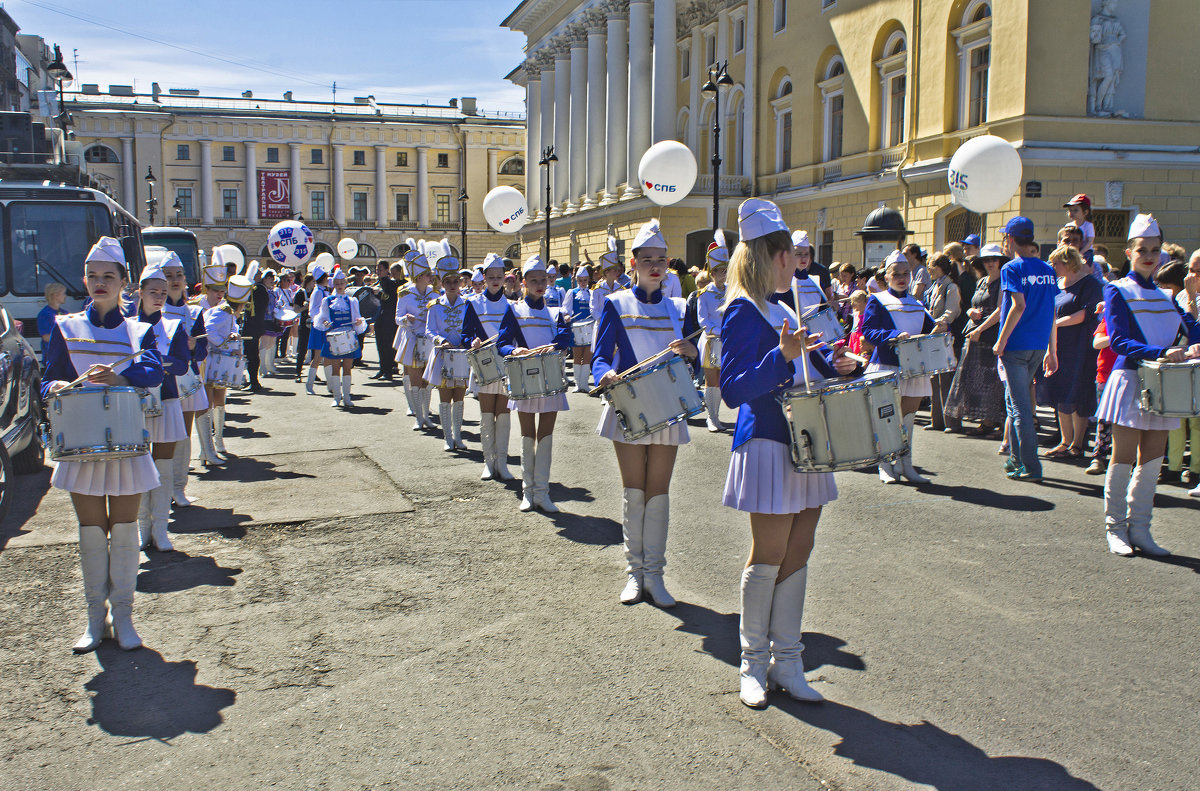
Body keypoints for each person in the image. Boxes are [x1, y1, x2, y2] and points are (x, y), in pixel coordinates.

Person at [719, 199, 857, 708]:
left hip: (806, 444)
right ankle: (752, 664)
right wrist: (783, 356)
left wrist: (841, 366)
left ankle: (788, 661)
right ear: (767, 256)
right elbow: (733, 389)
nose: (796, 264)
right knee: (770, 554)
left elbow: (813, 370)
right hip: (768, 442)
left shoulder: (783, 308)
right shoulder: (740, 310)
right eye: (788, 256)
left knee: (799, 552)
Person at [40, 236, 165, 652]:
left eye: (108, 277)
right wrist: (55, 384)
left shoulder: (139, 329)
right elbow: (48, 375)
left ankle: (125, 617)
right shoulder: (67, 327)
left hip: (126, 442)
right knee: (92, 531)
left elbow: (153, 370)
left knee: (124, 529)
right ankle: (97, 620)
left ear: (123, 282)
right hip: (81, 443)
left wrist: (120, 377)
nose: (99, 283)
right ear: (85, 280)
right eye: (93, 276)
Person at [592, 219, 699, 608]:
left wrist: (694, 355)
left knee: (659, 493)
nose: (655, 265)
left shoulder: (681, 307)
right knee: (634, 491)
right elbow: (601, 354)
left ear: (668, 264)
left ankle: (655, 574)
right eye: (647, 259)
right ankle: (634, 575)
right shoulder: (616, 304)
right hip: (630, 405)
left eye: (661, 259)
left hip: (669, 407)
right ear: (633, 263)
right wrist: (605, 373)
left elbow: (694, 365)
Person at [1097, 215, 1200, 556]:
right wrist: (1162, 352)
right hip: (1130, 380)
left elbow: (1194, 331)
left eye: (1155, 250)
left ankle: (1141, 529)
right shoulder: (1117, 289)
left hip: (1162, 383)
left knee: (1152, 459)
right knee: (1123, 457)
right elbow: (1119, 341)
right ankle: (1116, 529)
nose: (1149, 256)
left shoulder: (1165, 295)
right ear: (1129, 252)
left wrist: (1192, 301)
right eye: (1142, 250)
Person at [861, 251, 947, 484]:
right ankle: (885, 465)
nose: (901, 277)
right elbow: (868, 331)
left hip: (913, 369)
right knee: (888, 418)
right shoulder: (877, 300)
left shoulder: (917, 304)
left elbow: (929, 331)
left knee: (907, 420)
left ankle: (905, 465)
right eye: (895, 274)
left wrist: (939, 330)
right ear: (886, 277)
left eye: (905, 273)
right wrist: (894, 335)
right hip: (887, 365)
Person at [497, 255, 573, 513]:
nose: (540, 284)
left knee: (546, 435)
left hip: (550, 378)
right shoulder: (515, 310)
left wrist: (561, 340)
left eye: (543, 279)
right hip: (526, 379)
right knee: (528, 434)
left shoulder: (556, 313)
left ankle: (543, 491)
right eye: (534, 280)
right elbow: (502, 342)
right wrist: (513, 351)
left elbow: (565, 340)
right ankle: (527, 492)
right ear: (524, 282)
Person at [993, 217, 1059, 482]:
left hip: (1016, 346)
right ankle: (1017, 461)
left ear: (1010, 238)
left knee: (1020, 408)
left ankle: (1031, 467)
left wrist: (1001, 341)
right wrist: (1052, 350)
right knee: (1014, 404)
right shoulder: (1047, 269)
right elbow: (1052, 311)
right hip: (1038, 344)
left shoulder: (1012, 268)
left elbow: (1017, 306)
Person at [133, 260, 191, 552]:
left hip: (166, 400)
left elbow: (182, 364)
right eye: (152, 291)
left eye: (162, 291)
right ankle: (143, 528)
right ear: (139, 293)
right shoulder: (128, 326)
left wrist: (158, 363)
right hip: (136, 405)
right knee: (141, 465)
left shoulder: (173, 325)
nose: (158, 296)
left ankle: (161, 527)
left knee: (163, 466)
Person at [1037, 245, 1103, 459]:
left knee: (1078, 394)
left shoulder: (1090, 284)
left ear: (1067, 262)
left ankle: (1077, 444)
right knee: (1060, 393)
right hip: (1058, 346)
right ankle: (1065, 441)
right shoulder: (1057, 284)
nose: (1051, 266)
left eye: (1055, 263)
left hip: (1080, 347)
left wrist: (1056, 324)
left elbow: (1087, 313)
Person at [159, 250, 208, 507]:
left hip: (187, 380)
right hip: (162, 381)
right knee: (162, 437)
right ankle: (161, 491)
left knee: (183, 435)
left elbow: (203, 347)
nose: (174, 280)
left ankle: (179, 488)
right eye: (168, 276)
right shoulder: (155, 309)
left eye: (178, 275)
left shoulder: (194, 312)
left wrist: (191, 347)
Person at [945, 245, 1007, 437]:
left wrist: (980, 329)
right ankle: (985, 421)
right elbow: (971, 305)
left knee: (992, 381)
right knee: (975, 379)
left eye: (993, 260)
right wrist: (971, 312)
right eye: (987, 260)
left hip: (991, 335)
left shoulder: (1004, 282)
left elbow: (1000, 310)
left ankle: (997, 423)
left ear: (1000, 262)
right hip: (975, 335)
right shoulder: (981, 281)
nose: (990, 263)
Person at [463, 253, 515, 481]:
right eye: (491, 276)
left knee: (502, 414)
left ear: (505, 278)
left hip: (504, 365)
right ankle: (488, 462)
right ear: (484, 277)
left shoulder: (512, 305)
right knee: (486, 414)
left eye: (499, 276)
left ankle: (502, 462)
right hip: (484, 366)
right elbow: (466, 334)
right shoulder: (474, 303)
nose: (495, 280)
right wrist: (471, 341)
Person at [1153, 260, 1200, 487]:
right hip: (1180, 363)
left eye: (1195, 271)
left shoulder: (1187, 295)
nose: (1190, 275)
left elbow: (1195, 329)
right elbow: (1184, 324)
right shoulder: (1181, 296)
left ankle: (1196, 469)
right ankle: (1173, 466)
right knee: (1176, 418)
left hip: (1196, 364)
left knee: (1197, 423)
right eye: (1189, 270)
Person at [424, 243, 470, 448]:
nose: (452, 285)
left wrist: (468, 342)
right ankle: (447, 438)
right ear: (442, 284)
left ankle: (458, 436)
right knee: (445, 397)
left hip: (461, 356)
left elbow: (471, 329)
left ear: (460, 283)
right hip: (443, 355)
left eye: (455, 281)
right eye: (448, 281)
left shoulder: (467, 304)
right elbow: (429, 330)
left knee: (459, 397)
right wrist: (439, 341)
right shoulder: (435, 306)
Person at [203, 274, 253, 461]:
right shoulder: (222, 312)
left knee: (220, 402)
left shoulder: (228, 314)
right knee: (208, 404)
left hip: (221, 365)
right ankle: (208, 444)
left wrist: (232, 336)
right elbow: (208, 330)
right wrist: (223, 344)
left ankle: (218, 441)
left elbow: (228, 330)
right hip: (212, 364)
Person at [394, 242, 438, 430]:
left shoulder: (433, 293)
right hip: (412, 340)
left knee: (427, 382)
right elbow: (397, 318)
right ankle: (418, 418)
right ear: (419, 276)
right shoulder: (405, 293)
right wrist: (406, 319)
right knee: (416, 381)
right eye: (428, 274)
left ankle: (426, 416)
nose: (431, 277)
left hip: (428, 341)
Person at [314, 268, 368, 409]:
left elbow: (357, 316)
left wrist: (358, 322)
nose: (339, 285)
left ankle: (347, 397)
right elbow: (322, 318)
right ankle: (337, 397)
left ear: (345, 284)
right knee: (335, 368)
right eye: (336, 283)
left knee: (348, 368)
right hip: (334, 338)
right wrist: (325, 323)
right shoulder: (327, 300)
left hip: (349, 337)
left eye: (341, 283)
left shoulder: (352, 300)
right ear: (333, 284)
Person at [924, 254, 962, 433]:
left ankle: (952, 422)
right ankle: (936, 420)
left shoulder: (951, 286)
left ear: (938, 266)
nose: (928, 269)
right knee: (934, 379)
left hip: (944, 337)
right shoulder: (935, 286)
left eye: (930, 266)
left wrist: (940, 322)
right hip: (932, 336)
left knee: (946, 379)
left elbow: (952, 310)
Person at [696, 231, 730, 432]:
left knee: (722, 379)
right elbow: (703, 320)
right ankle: (711, 417)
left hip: (727, 339)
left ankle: (717, 417)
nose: (724, 275)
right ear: (713, 273)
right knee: (712, 379)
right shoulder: (704, 293)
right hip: (711, 340)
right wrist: (718, 330)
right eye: (720, 271)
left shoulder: (732, 290)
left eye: (726, 270)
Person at [1087, 302, 1117, 476]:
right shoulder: (1108, 320)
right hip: (1106, 376)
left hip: (1131, 375)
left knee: (1126, 422)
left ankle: (1124, 460)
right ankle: (1098, 457)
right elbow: (1097, 343)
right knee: (1104, 419)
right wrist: (1117, 337)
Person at [563, 265, 594, 392]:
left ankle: (584, 383)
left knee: (587, 356)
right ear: (576, 280)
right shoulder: (572, 292)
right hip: (576, 327)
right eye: (580, 280)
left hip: (590, 327)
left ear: (588, 280)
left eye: (585, 280)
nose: (582, 283)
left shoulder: (592, 293)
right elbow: (566, 307)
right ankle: (577, 384)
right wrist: (567, 316)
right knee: (577, 356)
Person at [303, 265, 331, 396]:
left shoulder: (324, 291)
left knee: (327, 357)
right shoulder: (318, 292)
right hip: (319, 328)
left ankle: (331, 385)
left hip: (326, 328)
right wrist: (321, 320)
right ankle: (309, 384)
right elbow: (313, 311)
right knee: (318, 357)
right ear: (323, 278)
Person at [241, 261, 269, 393]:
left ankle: (254, 381)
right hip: (252, 325)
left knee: (252, 354)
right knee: (250, 354)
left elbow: (254, 307)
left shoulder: (258, 288)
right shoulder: (255, 288)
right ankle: (253, 380)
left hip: (253, 326)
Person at [371, 261, 400, 380]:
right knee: (380, 344)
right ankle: (382, 369)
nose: (378, 272)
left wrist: (379, 294)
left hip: (389, 317)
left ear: (387, 270)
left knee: (387, 345)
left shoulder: (391, 283)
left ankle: (388, 371)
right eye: (377, 270)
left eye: (381, 270)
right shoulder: (378, 282)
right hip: (380, 316)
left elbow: (391, 299)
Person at [591, 239, 626, 322]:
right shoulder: (597, 289)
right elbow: (593, 309)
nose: (617, 272)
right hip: (602, 324)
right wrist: (604, 319)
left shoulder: (621, 289)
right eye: (614, 270)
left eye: (617, 270)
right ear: (606, 272)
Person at [37, 282, 69, 357]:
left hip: (65, 354)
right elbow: (46, 337)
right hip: (52, 355)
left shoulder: (65, 313)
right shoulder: (44, 314)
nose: (65, 296)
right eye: (63, 293)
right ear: (56, 295)